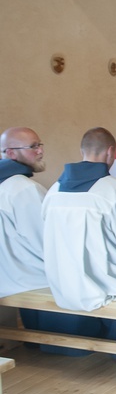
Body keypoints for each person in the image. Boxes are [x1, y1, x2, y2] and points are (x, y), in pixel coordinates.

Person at [42, 127, 116, 312]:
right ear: (111, 151)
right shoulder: (115, 190)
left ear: (82, 152)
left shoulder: (53, 191)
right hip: (104, 284)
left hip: (64, 285)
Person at [0, 127, 49, 297]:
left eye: (40, 145)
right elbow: (46, 241)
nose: (40, 151)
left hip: (9, 285)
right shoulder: (24, 189)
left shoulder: (6, 186)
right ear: (11, 153)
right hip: (40, 284)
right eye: (33, 146)